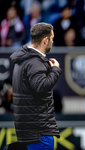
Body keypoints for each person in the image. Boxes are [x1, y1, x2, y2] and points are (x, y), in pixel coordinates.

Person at [10, 22, 62, 150]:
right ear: (45, 40)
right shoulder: (34, 62)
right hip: (39, 133)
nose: (52, 42)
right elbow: (41, 88)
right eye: (52, 39)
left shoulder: (23, 60)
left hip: (29, 132)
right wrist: (55, 70)